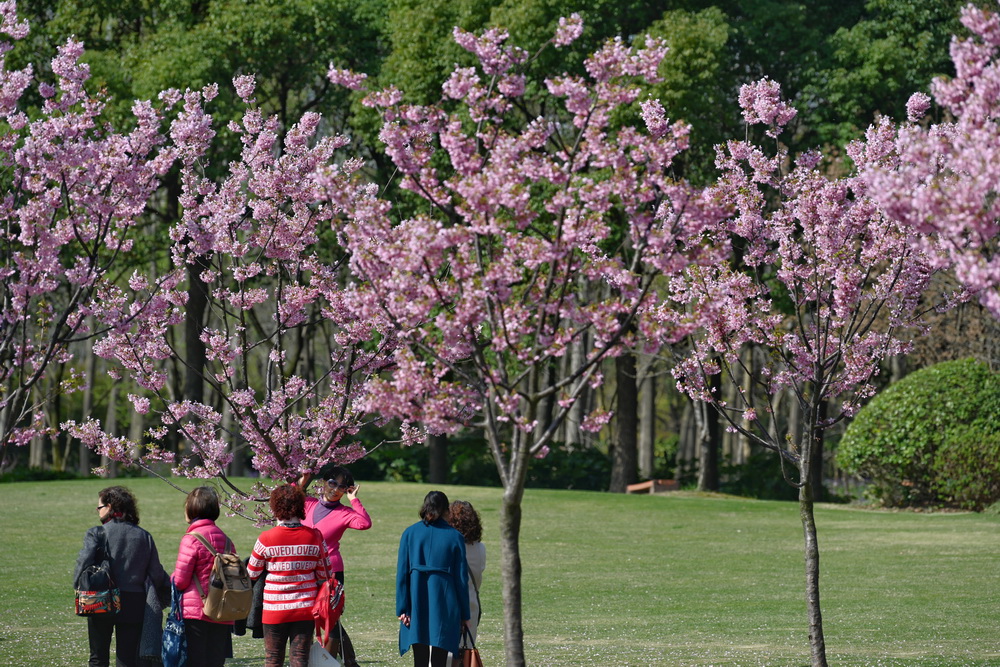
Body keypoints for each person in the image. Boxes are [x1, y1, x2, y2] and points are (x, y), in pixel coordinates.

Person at [74, 485, 169, 667]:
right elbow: (156, 572)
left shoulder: (97, 533)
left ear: (110, 507)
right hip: (134, 601)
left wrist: (79, 586)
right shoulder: (143, 536)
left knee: (98, 657)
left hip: (99, 599)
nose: (97, 511)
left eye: (99, 507)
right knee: (126, 658)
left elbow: (83, 565)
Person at [247, 484, 330, 667]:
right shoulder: (315, 536)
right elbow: (325, 573)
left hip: (274, 610)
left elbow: (251, 574)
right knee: (300, 659)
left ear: (275, 507)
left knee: (273, 659)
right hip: (305, 608)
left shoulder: (266, 538)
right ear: (300, 507)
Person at [298, 465, 371, 667]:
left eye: (342, 487)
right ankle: (349, 660)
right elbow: (292, 497)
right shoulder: (309, 503)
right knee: (318, 615)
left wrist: (354, 499)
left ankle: (331, 661)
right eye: (332, 483)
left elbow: (365, 523)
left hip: (332, 571)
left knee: (330, 616)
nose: (335, 489)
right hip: (307, 568)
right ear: (324, 483)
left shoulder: (345, 513)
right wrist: (304, 481)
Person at [396, 491, 470, 667]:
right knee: (440, 657)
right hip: (444, 598)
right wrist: (465, 613)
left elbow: (402, 574)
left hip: (416, 597)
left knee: (419, 660)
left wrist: (402, 608)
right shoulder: (455, 537)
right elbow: (461, 579)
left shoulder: (410, 533)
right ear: (446, 510)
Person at [171, 486, 235, 667]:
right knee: (215, 660)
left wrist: (171, 578)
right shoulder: (227, 539)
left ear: (192, 508)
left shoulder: (191, 538)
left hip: (197, 611)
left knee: (196, 660)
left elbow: (181, 582)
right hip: (222, 610)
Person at [447, 500, 485, 657]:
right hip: (471, 604)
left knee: (446, 655)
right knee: (466, 652)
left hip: (450, 603)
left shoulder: (450, 546)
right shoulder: (480, 548)